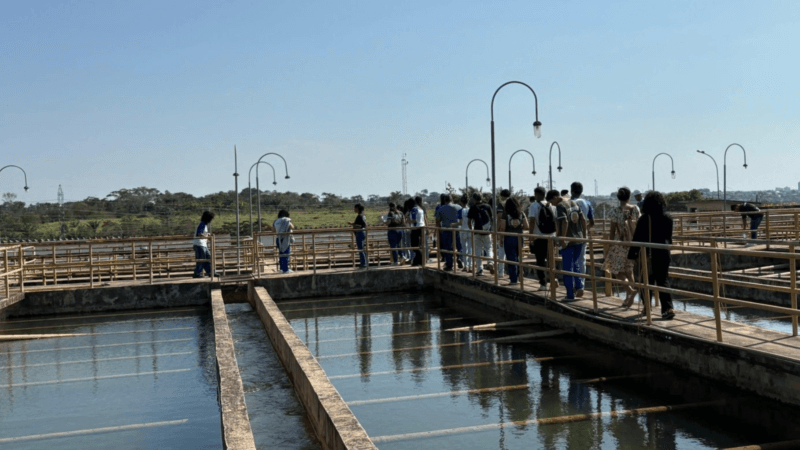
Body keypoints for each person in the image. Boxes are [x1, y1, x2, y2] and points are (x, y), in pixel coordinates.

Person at [628, 191, 675, 320]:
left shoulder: (644, 219)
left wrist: (632, 255)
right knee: (663, 280)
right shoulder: (668, 218)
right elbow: (669, 238)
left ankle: (647, 307)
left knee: (646, 282)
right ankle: (668, 308)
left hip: (648, 255)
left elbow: (637, 238)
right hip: (663, 253)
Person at [606, 187, 640, 307]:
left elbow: (612, 231)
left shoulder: (615, 211)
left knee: (616, 271)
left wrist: (610, 246)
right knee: (629, 271)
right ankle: (628, 299)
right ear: (629, 197)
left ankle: (630, 291)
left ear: (618, 197)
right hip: (632, 244)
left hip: (619, 244)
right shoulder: (635, 209)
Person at [553, 192, 587, 300]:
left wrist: (562, 239)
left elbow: (564, 222)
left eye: (552, 202)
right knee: (576, 264)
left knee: (567, 268)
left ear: (555, 198)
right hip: (579, 238)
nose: (552, 204)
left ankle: (570, 295)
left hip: (568, 240)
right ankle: (579, 286)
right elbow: (583, 219)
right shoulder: (573, 203)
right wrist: (584, 236)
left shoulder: (560, 206)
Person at [528, 187, 558, 291]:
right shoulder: (552, 206)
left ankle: (543, 284)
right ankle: (554, 279)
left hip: (539, 237)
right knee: (551, 259)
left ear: (536, 195)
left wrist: (530, 236)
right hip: (551, 237)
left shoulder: (533, 206)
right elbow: (556, 222)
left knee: (540, 261)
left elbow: (532, 221)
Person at [571, 182, 595, 295]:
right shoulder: (587, 203)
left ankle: (572, 286)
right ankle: (581, 285)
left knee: (570, 261)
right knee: (581, 260)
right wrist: (585, 229)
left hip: (570, 236)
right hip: (582, 236)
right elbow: (592, 222)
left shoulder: (568, 202)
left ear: (571, 190)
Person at [499, 197, 529, 284]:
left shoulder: (505, 214)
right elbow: (526, 226)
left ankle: (513, 279)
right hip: (519, 237)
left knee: (511, 259)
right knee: (519, 257)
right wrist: (520, 227)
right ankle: (520, 276)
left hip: (509, 237)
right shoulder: (521, 213)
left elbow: (502, 228)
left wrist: (500, 239)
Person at [434, 193, 463, 271]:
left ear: (444, 200)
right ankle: (460, 258)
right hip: (457, 230)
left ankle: (449, 265)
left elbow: (437, 221)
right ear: (451, 199)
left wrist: (439, 229)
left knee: (448, 248)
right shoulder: (458, 207)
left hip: (446, 230)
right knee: (459, 246)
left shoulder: (441, 209)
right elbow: (462, 220)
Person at [468, 193, 494, 275]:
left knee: (478, 250)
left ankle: (480, 270)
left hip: (477, 232)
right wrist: (491, 230)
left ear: (474, 199)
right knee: (489, 248)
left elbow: (469, 221)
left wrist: (472, 230)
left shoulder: (473, 207)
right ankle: (490, 262)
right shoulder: (487, 206)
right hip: (487, 232)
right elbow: (492, 219)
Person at [193, 211, 218, 278]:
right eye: (212, 219)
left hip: (203, 245)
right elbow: (199, 234)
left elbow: (203, 233)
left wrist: (208, 235)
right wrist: (208, 237)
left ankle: (211, 272)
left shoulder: (204, 225)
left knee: (208, 258)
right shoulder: (202, 224)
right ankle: (197, 273)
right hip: (199, 244)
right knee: (201, 259)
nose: (212, 220)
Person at [273, 209, 295, 274]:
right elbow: (292, 227)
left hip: (278, 238)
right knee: (286, 254)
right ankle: (286, 269)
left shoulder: (276, 221)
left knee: (281, 254)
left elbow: (273, 230)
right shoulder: (286, 220)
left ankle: (282, 268)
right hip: (285, 239)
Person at [495, 189, 510, 277]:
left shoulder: (501, 204)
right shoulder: (515, 203)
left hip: (504, 229)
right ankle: (517, 273)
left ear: (502, 196)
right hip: (514, 230)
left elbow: (499, 217)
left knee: (501, 251)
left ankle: (501, 272)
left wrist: (497, 230)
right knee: (514, 253)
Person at [348, 203, 368, 268]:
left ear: (357, 209)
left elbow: (359, 226)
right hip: (363, 232)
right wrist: (352, 224)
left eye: (354, 208)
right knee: (362, 248)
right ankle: (365, 262)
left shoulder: (359, 216)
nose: (354, 209)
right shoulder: (363, 215)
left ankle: (363, 264)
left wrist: (354, 228)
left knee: (360, 249)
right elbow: (361, 224)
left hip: (360, 233)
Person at [409, 197, 426, 266]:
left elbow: (414, 220)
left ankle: (421, 259)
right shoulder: (421, 209)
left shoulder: (414, 209)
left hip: (415, 228)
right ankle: (416, 261)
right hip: (421, 227)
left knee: (414, 246)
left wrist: (406, 221)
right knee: (419, 245)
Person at [458, 195, 471, 271]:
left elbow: (460, 222)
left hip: (463, 230)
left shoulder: (460, 210)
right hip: (470, 230)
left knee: (464, 248)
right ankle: (471, 265)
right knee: (470, 248)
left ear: (461, 202)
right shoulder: (470, 210)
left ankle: (466, 266)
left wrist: (454, 224)